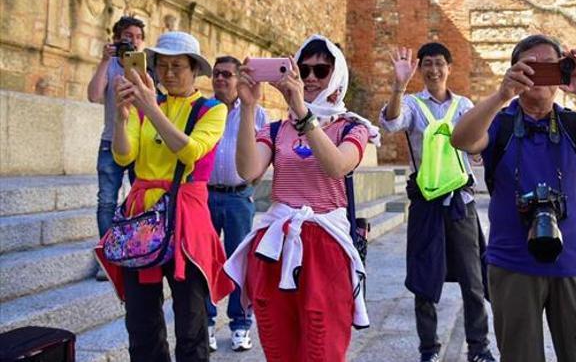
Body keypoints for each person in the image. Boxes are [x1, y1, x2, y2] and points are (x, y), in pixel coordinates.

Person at [452, 34, 576, 362]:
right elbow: (462, 139)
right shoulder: (500, 125)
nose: (539, 75)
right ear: (514, 71)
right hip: (513, 262)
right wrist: (501, 96)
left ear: (563, 74)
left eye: (549, 67)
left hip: (574, 262)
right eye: (530, 67)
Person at [225, 35, 380, 362]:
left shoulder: (352, 127)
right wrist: (248, 106)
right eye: (304, 69)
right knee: (279, 349)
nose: (310, 78)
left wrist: (300, 109)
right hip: (276, 245)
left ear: (336, 77)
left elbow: (337, 165)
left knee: (322, 348)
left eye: (321, 71)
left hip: (326, 248)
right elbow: (248, 170)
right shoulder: (278, 129)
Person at [95, 31, 234, 362]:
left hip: (188, 217)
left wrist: (147, 105)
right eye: (163, 65)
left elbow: (190, 152)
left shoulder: (211, 110)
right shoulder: (144, 106)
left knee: (192, 319)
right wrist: (122, 115)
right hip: (142, 215)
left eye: (178, 66)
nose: (169, 73)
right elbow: (122, 157)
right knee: (141, 318)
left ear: (194, 70)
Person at [378, 43, 495, 362]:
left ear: (449, 67)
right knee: (423, 278)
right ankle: (428, 349)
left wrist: (478, 151)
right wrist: (398, 86)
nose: (433, 70)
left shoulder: (464, 105)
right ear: (421, 68)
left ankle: (479, 347)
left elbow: (476, 147)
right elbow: (391, 122)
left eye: (439, 63)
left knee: (472, 279)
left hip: (461, 202)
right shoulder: (413, 104)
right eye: (427, 64)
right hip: (427, 203)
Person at [204, 56, 269, 353]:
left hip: (239, 197)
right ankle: (205, 322)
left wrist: (249, 187)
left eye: (227, 74)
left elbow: (266, 153)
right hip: (204, 196)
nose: (220, 79)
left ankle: (241, 324)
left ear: (238, 78)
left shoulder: (256, 113)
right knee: (204, 262)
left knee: (239, 262)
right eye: (216, 74)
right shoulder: (203, 109)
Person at [87, 16, 144, 280]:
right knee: (106, 201)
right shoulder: (108, 65)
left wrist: (139, 70)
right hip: (110, 141)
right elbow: (93, 95)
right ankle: (107, 256)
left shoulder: (146, 66)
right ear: (117, 38)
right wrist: (102, 61)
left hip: (139, 145)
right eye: (127, 36)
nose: (132, 40)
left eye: (137, 36)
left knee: (139, 200)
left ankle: (134, 250)